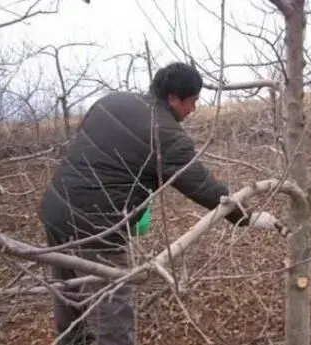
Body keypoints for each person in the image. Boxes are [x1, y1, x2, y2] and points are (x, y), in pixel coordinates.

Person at [38, 62, 284, 345]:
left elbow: (96, 151)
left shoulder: (111, 102)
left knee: (70, 304)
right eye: (191, 102)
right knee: (113, 320)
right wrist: (246, 218)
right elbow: (201, 186)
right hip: (98, 228)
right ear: (173, 98)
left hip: (56, 210)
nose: (192, 110)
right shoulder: (166, 134)